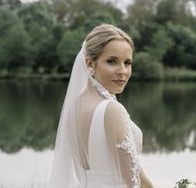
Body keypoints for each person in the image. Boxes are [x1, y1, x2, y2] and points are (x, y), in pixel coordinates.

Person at [49, 24, 154, 188]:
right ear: (90, 64)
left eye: (127, 63)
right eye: (112, 61)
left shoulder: (75, 106)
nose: (122, 71)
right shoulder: (112, 110)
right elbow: (137, 183)